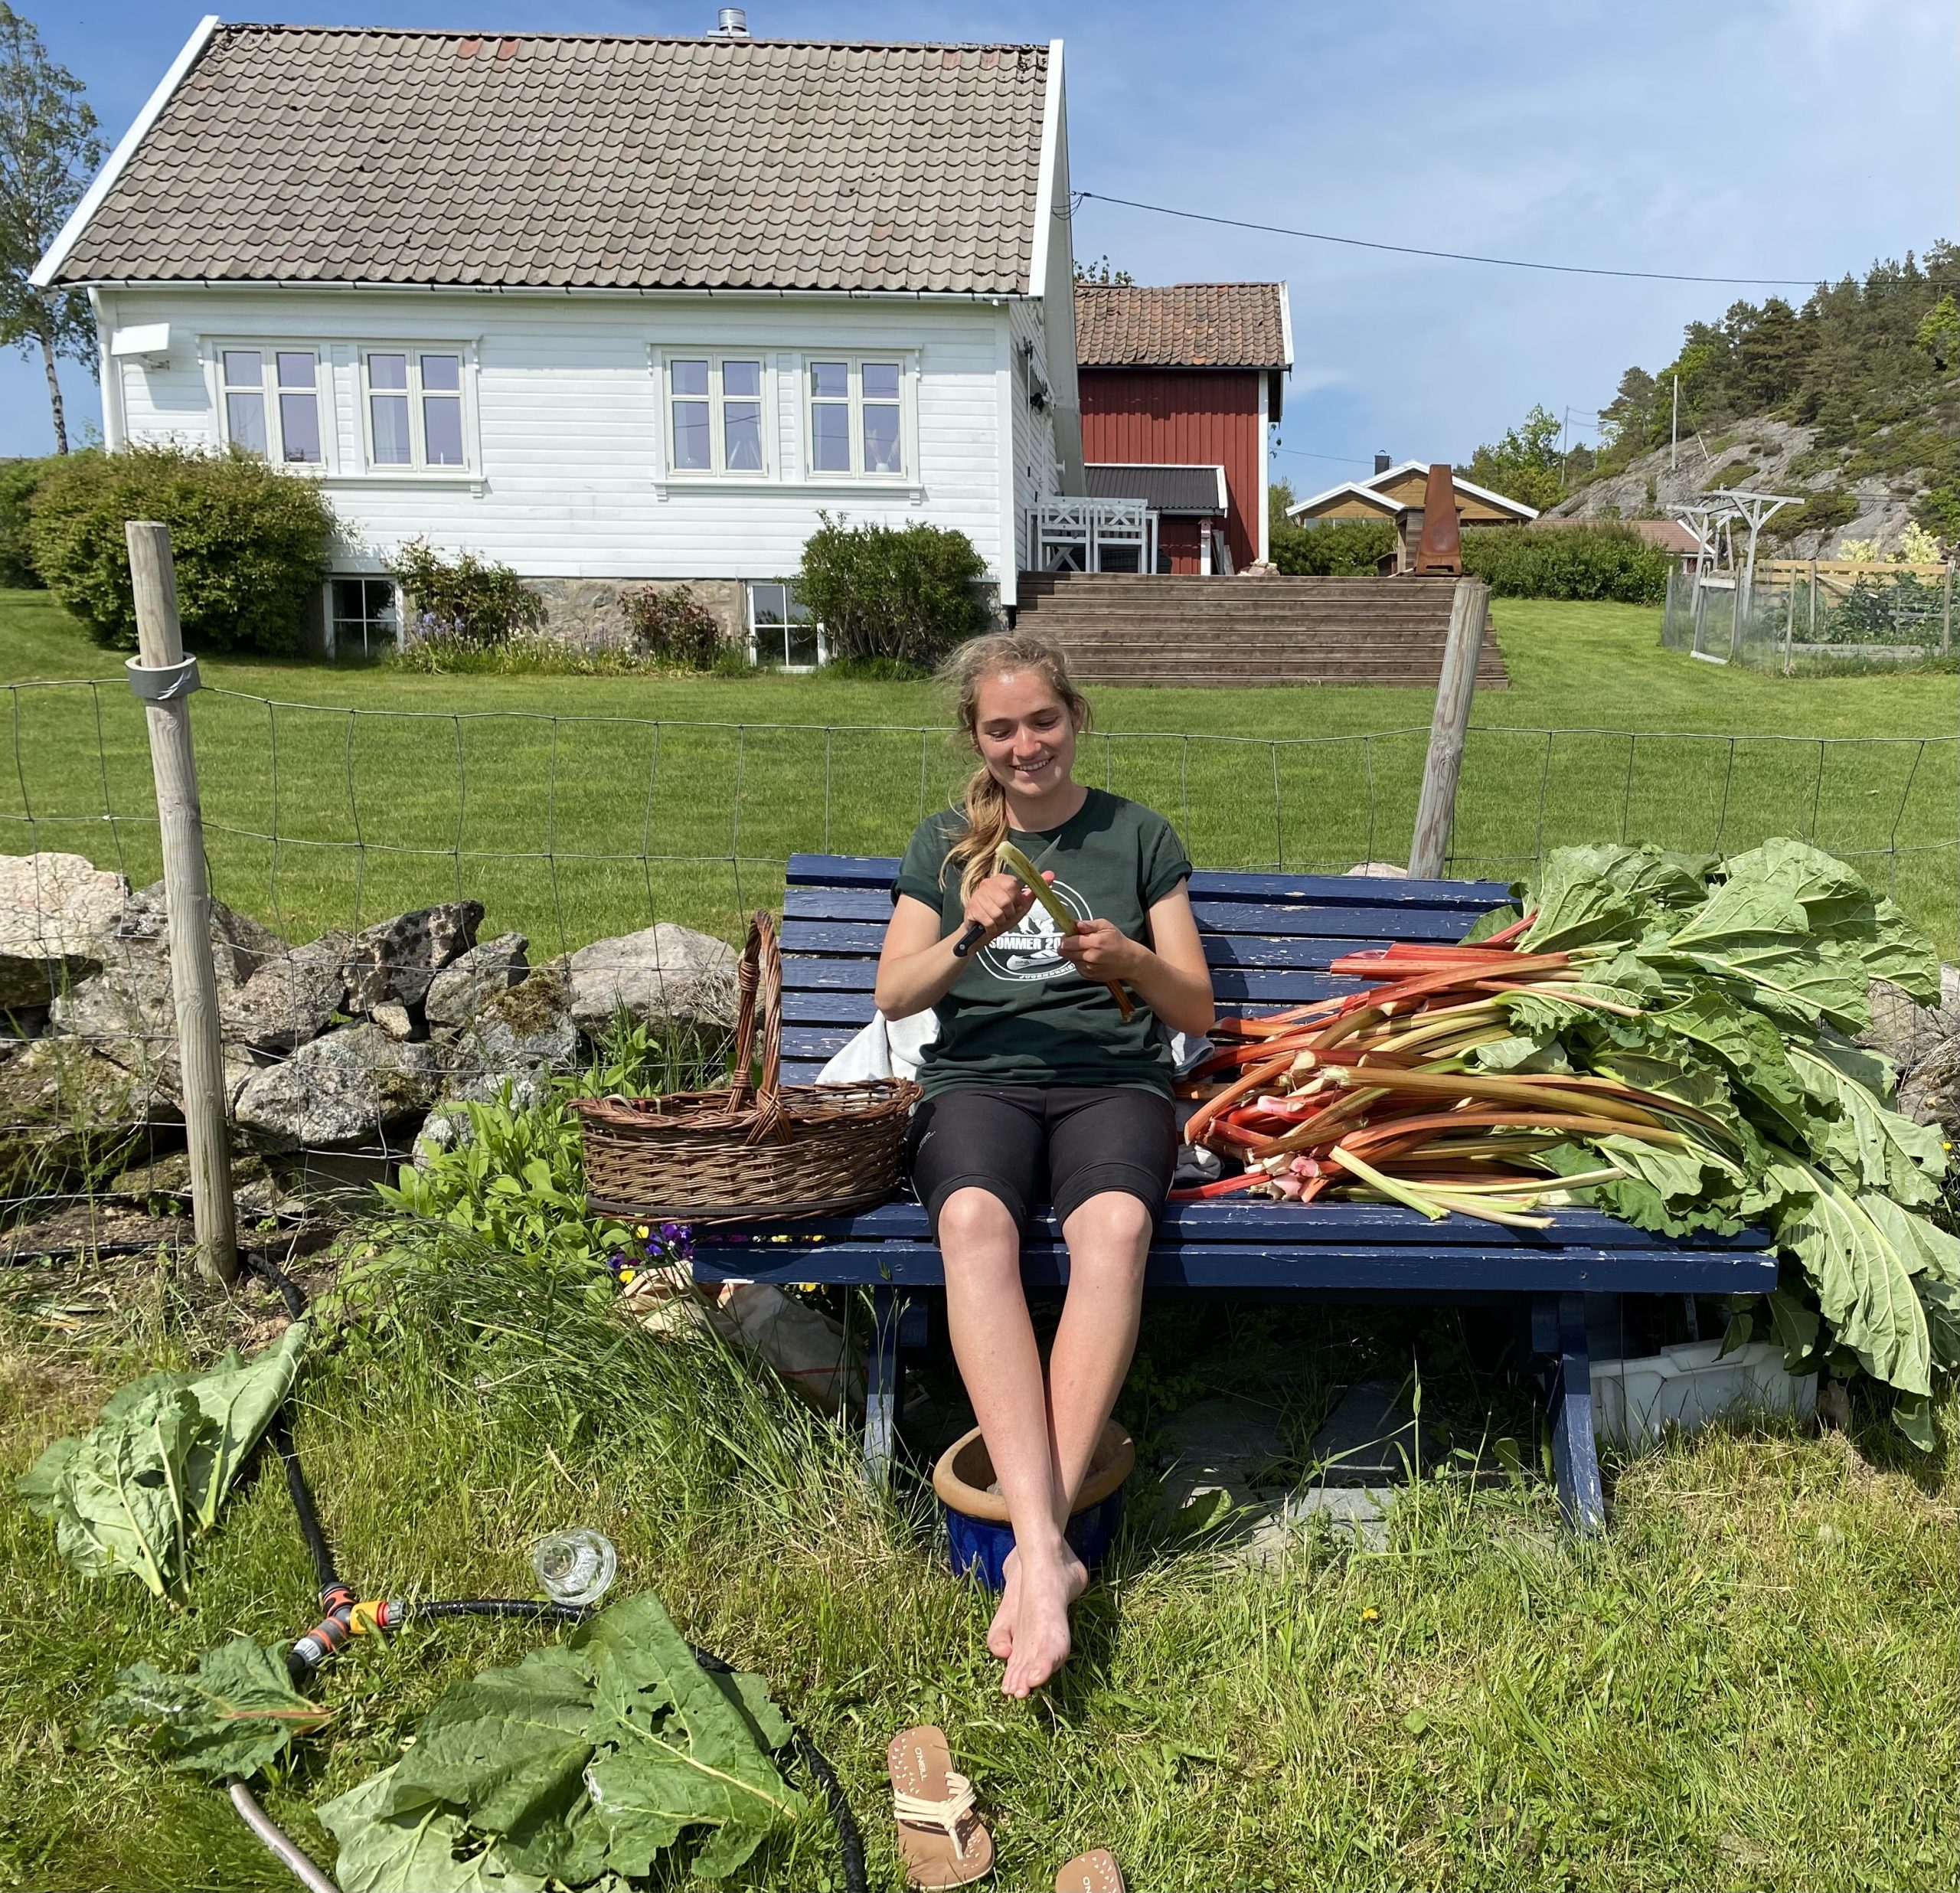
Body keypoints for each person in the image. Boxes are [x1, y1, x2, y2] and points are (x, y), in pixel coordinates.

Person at [874, 631, 1214, 1697]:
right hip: (978, 1082)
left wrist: (1129, 960)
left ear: (1076, 719)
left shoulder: (1137, 835)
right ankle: (1047, 1545)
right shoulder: (945, 843)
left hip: (1115, 1082)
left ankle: (1034, 1552)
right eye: (1002, 728)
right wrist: (972, 930)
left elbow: (1195, 1007)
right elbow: (895, 995)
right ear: (974, 737)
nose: (1028, 746)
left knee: (1114, 1226)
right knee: (973, 1223)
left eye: (1044, 721)